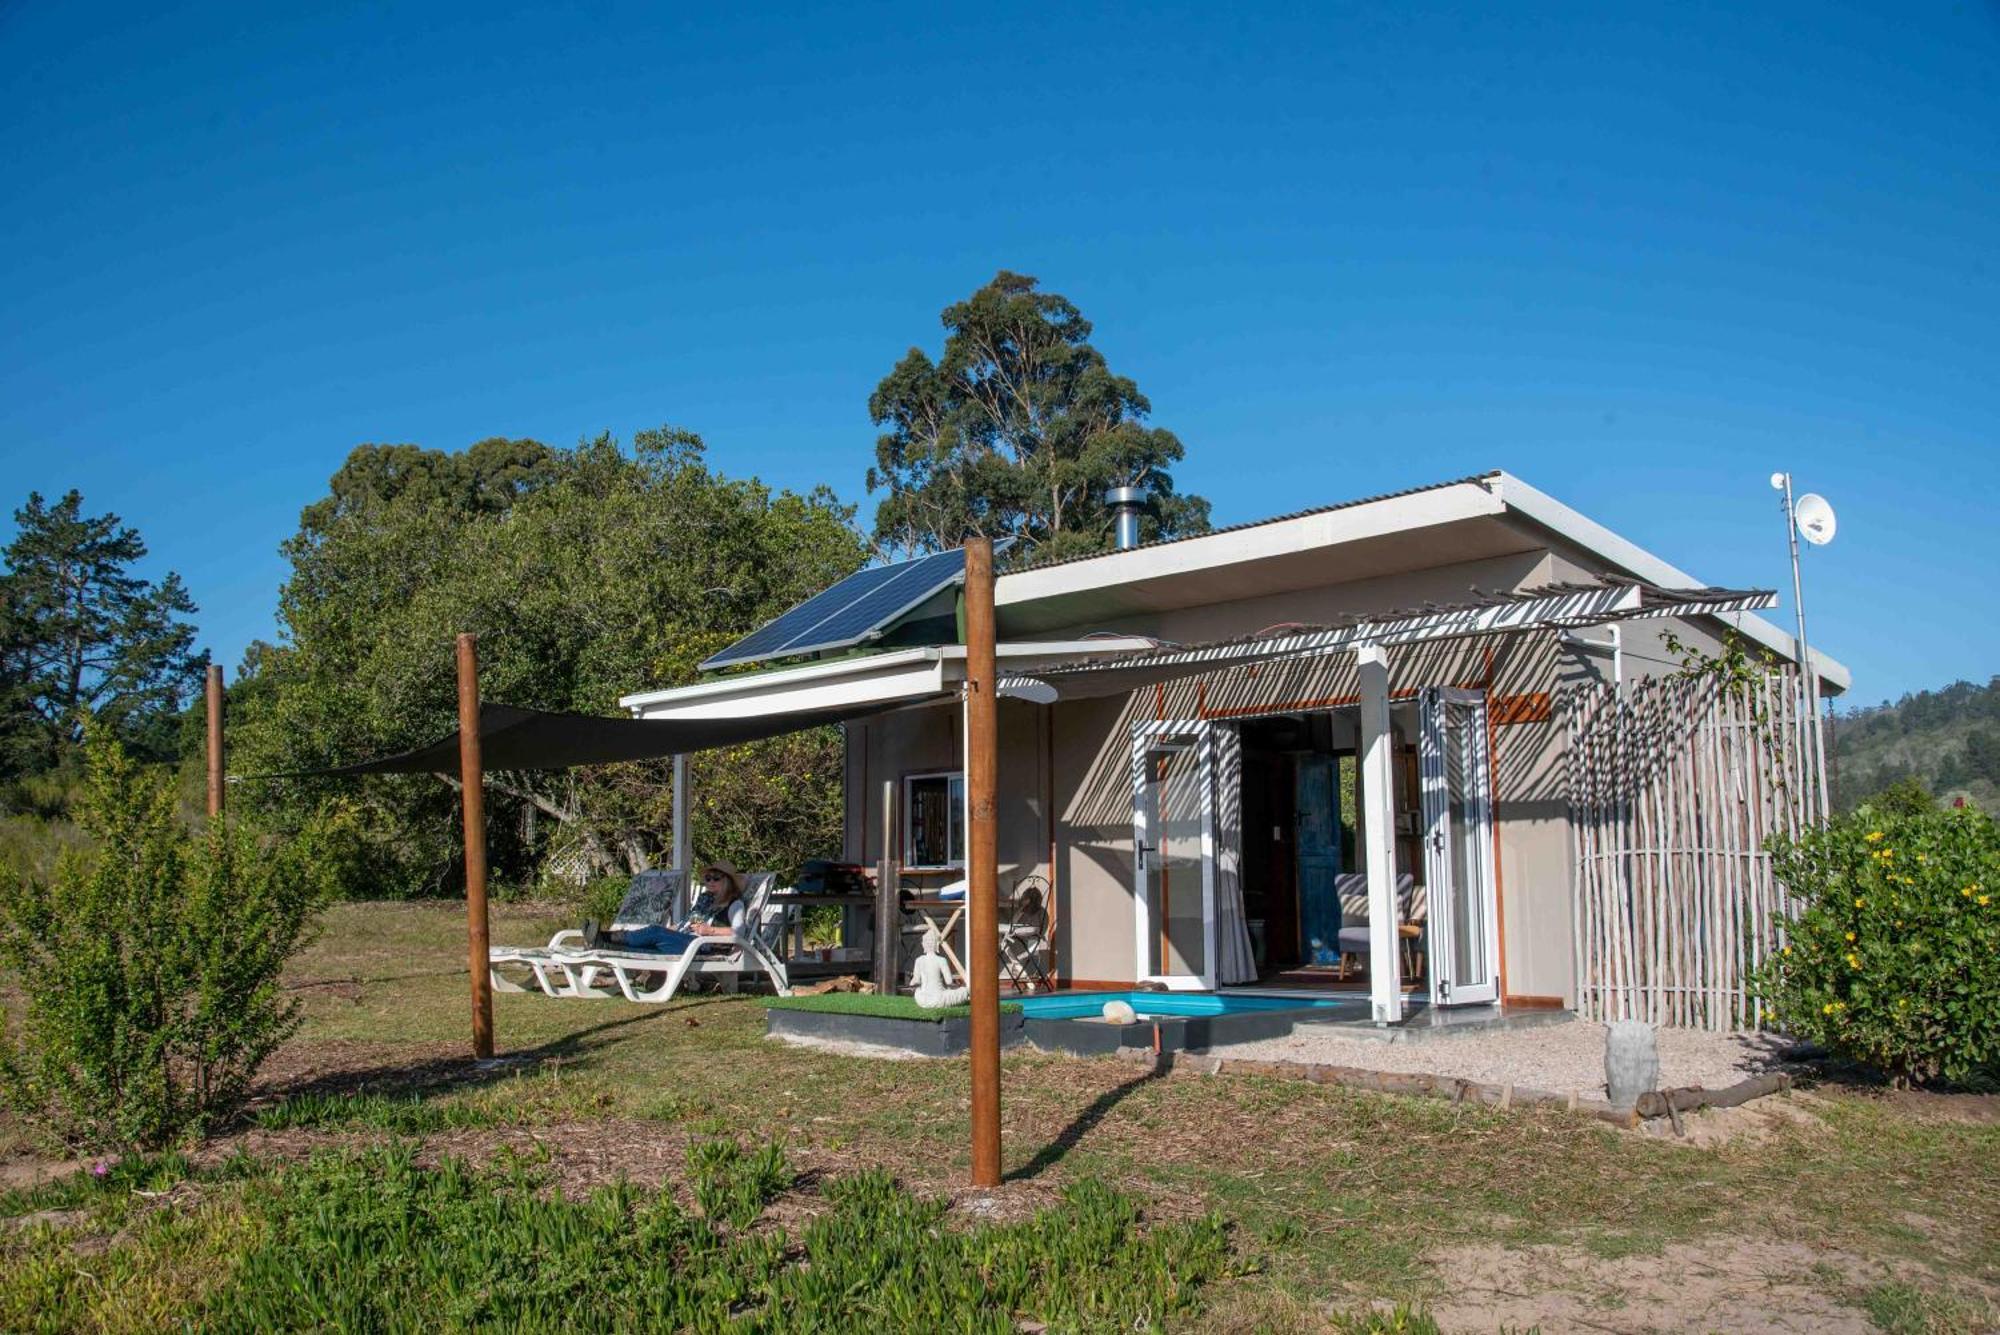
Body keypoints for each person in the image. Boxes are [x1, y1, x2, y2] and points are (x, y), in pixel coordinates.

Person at [586, 862, 747, 953]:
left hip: (704, 946)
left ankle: (604, 937)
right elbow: (688, 922)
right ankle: (604, 944)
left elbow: (740, 932)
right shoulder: (705, 900)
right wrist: (672, 929)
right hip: (687, 940)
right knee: (651, 943)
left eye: (716, 878)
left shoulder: (734, 904)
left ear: (727, 881)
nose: (710, 882)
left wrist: (711, 931)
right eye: (708, 878)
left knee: (655, 932)